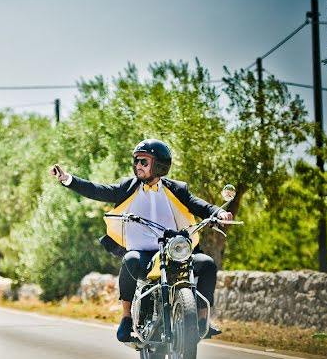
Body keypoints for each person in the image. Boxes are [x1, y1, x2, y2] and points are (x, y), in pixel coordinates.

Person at [50, 139, 233, 342]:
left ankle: (201, 321)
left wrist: (219, 212)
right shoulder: (128, 187)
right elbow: (97, 190)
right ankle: (127, 317)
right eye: (136, 161)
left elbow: (200, 205)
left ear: (159, 165)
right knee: (130, 260)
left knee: (207, 264)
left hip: (173, 251)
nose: (138, 166)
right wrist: (67, 179)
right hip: (143, 253)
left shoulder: (178, 189)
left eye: (143, 162)